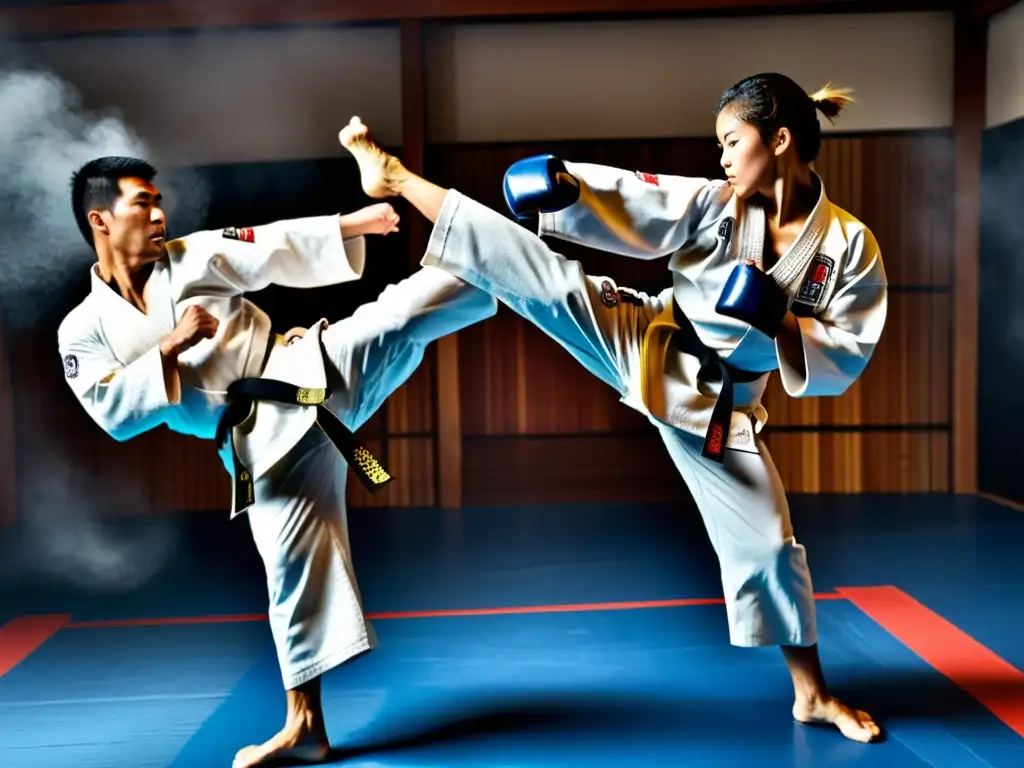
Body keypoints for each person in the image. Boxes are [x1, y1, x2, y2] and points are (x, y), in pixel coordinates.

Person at [338, 71, 886, 743]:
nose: (720, 158)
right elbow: (640, 195)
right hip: (646, 336)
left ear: (779, 140)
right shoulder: (717, 203)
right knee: (537, 273)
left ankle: (812, 695)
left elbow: (849, 350)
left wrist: (781, 323)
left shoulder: (849, 247)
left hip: (716, 407)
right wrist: (572, 190)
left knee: (770, 547)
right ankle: (396, 181)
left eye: (731, 141)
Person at [57, 154, 497, 767]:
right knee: (289, 574)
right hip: (253, 446)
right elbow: (113, 414)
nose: (160, 214)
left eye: (160, 200)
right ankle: (305, 727)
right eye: (143, 203)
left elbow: (268, 244)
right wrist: (171, 342)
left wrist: (353, 225)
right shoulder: (81, 330)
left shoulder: (192, 254)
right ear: (100, 220)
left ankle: (511, 256)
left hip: (304, 374)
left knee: (401, 313)